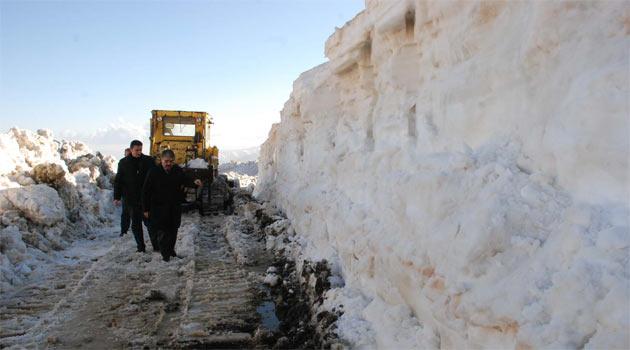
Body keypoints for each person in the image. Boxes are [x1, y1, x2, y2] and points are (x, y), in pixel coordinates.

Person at [142, 149, 201, 261]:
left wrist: (194, 183)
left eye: (171, 161)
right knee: (162, 232)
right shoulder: (154, 172)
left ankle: (171, 251)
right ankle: (165, 256)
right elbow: (146, 191)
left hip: (174, 206)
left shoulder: (177, 170)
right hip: (158, 207)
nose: (168, 164)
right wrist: (146, 209)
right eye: (166, 161)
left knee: (173, 230)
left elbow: (185, 180)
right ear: (161, 160)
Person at [114, 140, 157, 252]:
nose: (139, 152)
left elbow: (156, 177)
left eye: (140, 150)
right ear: (131, 149)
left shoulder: (149, 161)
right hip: (131, 199)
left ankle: (156, 246)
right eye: (136, 150)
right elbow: (118, 180)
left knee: (151, 224)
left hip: (147, 199)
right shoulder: (123, 163)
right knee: (136, 225)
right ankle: (141, 247)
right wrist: (117, 197)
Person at [118, 148, 132, 237]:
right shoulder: (122, 163)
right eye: (126, 155)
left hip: (137, 193)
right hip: (126, 193)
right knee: (125, 213)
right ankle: (124, 231)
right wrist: (117, 195)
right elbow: (118, 180)